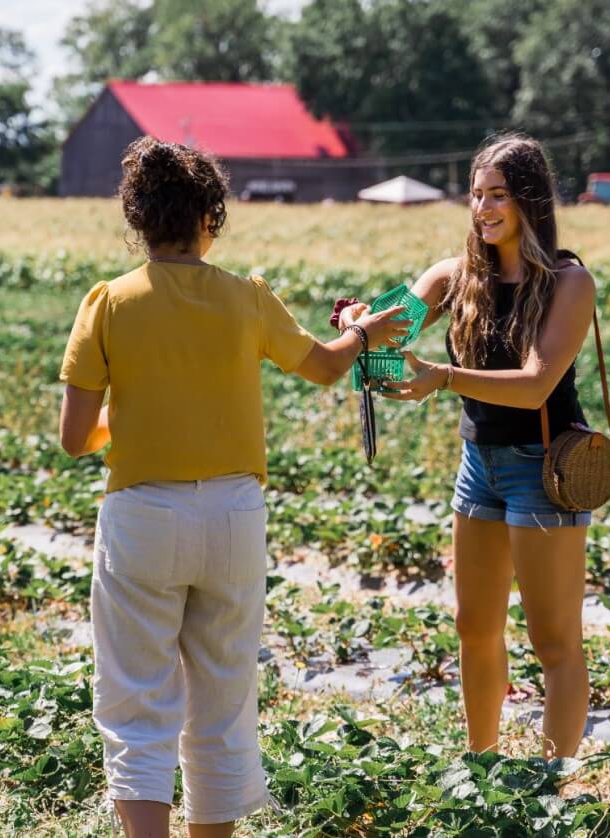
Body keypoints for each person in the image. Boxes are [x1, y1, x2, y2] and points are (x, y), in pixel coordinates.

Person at [58, 136, 407, 838]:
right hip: (233, 516)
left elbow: (74, 438)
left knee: (136, 703)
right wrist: (364, 332)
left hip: (142, 516)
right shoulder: (245, 298)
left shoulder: (108, 303)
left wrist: (121, 424)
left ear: (137, 221)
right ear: (209, 218)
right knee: (221, 701)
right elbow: (325, 367)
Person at [379, 133, 597, 760]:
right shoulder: (455, 277)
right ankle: (483, 765)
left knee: (554, 642)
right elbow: (390, 330)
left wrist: (441, 377)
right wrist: (364, 328)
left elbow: (534, 387)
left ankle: (555, 787)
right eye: (476, 195)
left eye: (497, 195)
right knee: (475, 629)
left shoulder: (568, 282)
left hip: (543, 467)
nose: (483, 209)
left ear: (530, 199)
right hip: (480, 466)